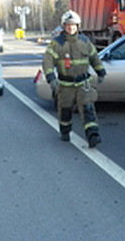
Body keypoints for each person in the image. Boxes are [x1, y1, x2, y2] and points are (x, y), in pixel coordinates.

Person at [43, 10, 106, 148]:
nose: (71, 28)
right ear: (64, 26)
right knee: (65, 110)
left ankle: (92, 135)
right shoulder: (56, 44)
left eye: (73, 25)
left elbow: (94, 57)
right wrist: (51, 78)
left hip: (84, 84)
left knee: (88, 108)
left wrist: (100, 71)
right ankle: (65, 131)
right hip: (66, 85)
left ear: (78, 26)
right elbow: (47, 61)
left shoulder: (85, 42)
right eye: (68, 25)